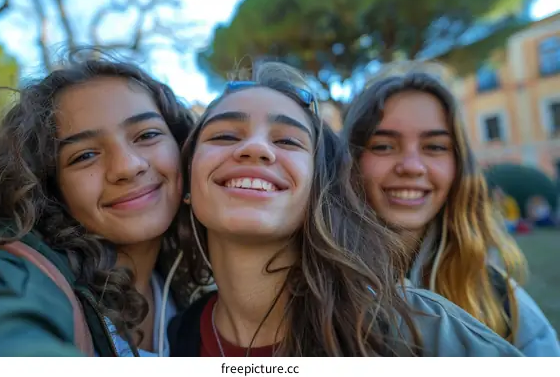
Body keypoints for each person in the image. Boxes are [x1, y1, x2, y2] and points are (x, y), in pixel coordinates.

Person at [168, 61, 523, 357]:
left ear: (320, 188)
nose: (257, 148)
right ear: (186, 179)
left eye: (288, 140)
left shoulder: (419, 331)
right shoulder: (171, 339)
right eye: (225, 136)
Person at [0, 56, 195, 356]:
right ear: (48, 184)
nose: (127, 166)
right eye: (84, 155)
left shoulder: (194, 291)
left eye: (147, 135)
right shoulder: (8, 273)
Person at [341, 69, 560, 356]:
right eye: (383, 146)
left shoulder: (498, 295)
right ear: (351, 160)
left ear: (458, 166)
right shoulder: (307, 287)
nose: (412, 166)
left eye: (434, 147)